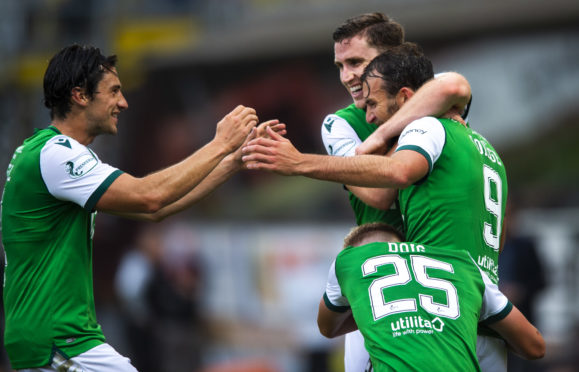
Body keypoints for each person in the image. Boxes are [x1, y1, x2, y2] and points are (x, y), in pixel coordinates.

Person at [0, 44, 283, 371]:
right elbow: (150, 195)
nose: (123, 102)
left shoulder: (47, 153)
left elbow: (154, 211)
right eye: (113, 91)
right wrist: (219, 143)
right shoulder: (57, 154)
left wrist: (232, 162)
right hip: (60, 337)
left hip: (47, 335)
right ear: (80, 95)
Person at [242, 44, 509, 370]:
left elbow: (394, 177)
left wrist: (300, 162)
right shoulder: (486, 148)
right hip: (489, 312)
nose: (367, 114)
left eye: (372, 103)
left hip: (439, 317)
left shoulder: (425, 129)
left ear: (406, 96)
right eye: (341, 66)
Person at [320, 13, 472, 371]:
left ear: (391, 57)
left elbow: (453, 86)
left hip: (445, 279)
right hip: (381, 285)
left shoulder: (431, 94)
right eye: (340, 66)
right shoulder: (339, 123)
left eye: (356, 62)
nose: (347, 77)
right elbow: (378, 195)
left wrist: (377, 139)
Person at [317, 222, 545, 371]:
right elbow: (535, 346)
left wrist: (367, 309)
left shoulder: (348, 262)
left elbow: (327, 327)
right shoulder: (464, 264)